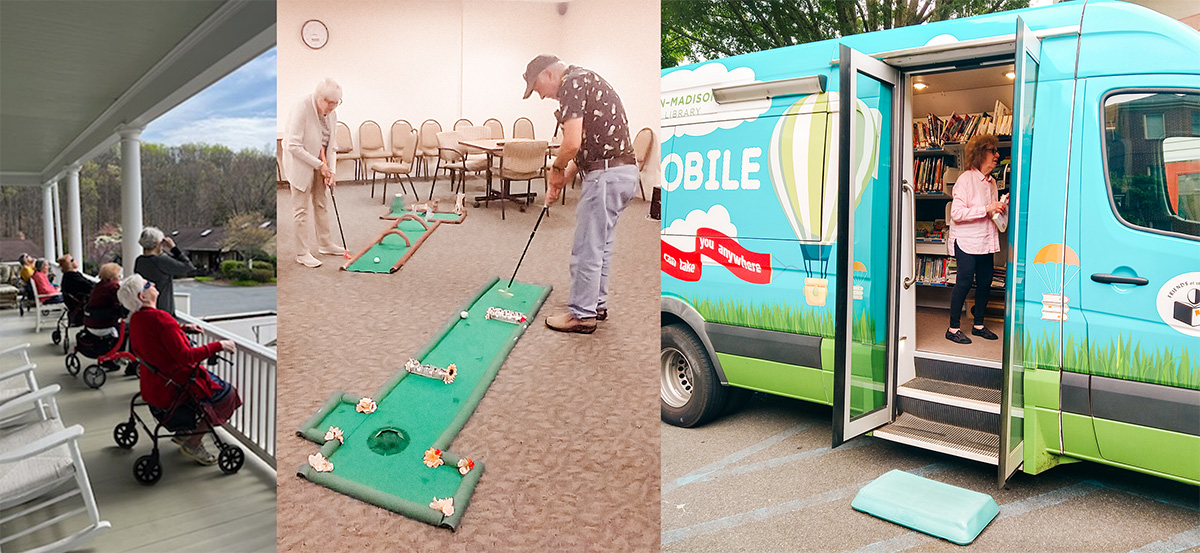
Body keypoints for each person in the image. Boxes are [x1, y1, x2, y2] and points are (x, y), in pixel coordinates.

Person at [523, 54, 639, 334]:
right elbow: (587, 146)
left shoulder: (571, 85)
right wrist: (562, 180)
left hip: (606, 177)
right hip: (623, 172)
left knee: (587, 246)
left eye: (537, 87)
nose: (540, 96)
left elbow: (571, 143)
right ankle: (595, 305)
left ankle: (581, 314)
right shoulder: (587, 79)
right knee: (602, 245)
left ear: (549, 74)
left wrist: (556, 167)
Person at [117, 274, 237, 466]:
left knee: (214, 387)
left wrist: (181, 329)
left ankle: (184, 432)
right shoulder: (161, 319)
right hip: (173, 386)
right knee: (227, 394)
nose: (154, 283)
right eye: (148, 284)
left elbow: (158, 337)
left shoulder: (137, 318)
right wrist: (219, 345)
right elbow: (185, 356)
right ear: (143, 296)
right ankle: (193, 443)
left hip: (155, 383)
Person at [946, 134, 1008, 344]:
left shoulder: (992, 183)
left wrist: (1000, 206)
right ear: (981, 153)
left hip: (985, 241)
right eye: (993, 151)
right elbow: (957, 213)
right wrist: (987, 208)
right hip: (967, 241)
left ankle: (978, 325)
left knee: (985, 283)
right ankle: (953, 329)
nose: (997, 155)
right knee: (963, 283)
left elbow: (989, 214)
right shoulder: (965, 179)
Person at [283, 77, 345, 268]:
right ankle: (302, 253)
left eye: (336, 103)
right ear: (320, 98)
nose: (332, 108)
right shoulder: (302, 108)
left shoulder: (332, 113)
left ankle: (325, 244)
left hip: (321, 164)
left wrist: (331, 171)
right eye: (330, 104)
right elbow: (293, 145)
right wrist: (319, 165)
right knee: (300, 210)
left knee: (321, 203)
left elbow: (330, 144)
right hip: (301, 164)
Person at [134, 226, 195, 319]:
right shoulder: (161, 260)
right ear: (156, 243)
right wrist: (173, 248)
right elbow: (188, 266)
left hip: (145, 308)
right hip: (162, 311)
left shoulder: (139, 261)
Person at [83, 263, 126, 339]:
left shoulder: (98, 286)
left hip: (90, 324)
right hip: (104, 326)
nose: (120, 278)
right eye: (119, 276)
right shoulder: (113, 287)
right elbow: (121, 302)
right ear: (112, 278)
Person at [57, 254, 95, 325]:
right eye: (72, 260)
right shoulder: (72, 277)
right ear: (69, 264)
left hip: (74, 303)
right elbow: (88, 286)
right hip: (78, 305)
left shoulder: (72, 275)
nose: (75, 260)